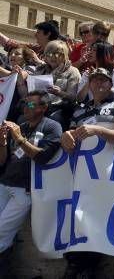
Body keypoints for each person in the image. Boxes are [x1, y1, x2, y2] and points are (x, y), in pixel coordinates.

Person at [60, 67, 114, 279]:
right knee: (79, 218)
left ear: (111, 84)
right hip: (82, 177)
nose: (99, 84)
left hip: (109, 176)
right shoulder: (79, 109)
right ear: (89, 84)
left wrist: (98, 130)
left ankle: (86, 267)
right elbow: (71, 141)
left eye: (104, 80)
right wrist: (66, 137)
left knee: (98, 218)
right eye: (95, 80)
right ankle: (75, 265)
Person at [0, 91, 62, 272]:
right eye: (25, 104)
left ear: (44, 108)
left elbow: (43, 157)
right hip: (5, 183)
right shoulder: (22, 125)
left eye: (32, 105)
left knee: (2, 232)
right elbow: (3, 161)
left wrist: (19, 138)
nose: (26, 108)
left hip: (24, 189)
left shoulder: (52, 127)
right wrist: (2, 142)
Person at [13, 40, 80, 130]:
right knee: (23, 117)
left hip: (57, 108)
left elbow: (73, 97)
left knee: (54, 120)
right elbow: (28, 93)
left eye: (57, 53)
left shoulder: (72, 72)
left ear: (64, 56)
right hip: (36, 105)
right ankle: (19, 141)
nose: (52, 57)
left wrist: (59, 93)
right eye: (49, 53)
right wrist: (21, 82)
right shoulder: (40, 69)